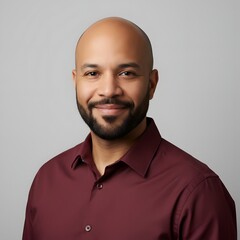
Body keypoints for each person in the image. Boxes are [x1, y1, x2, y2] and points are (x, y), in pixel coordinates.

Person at [22, 17, 237, 240]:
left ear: (152, 84)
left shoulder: (198, 193)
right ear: (76, 82)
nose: (108, 90)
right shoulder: (46, 180)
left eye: (126, 73)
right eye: (92, 73)